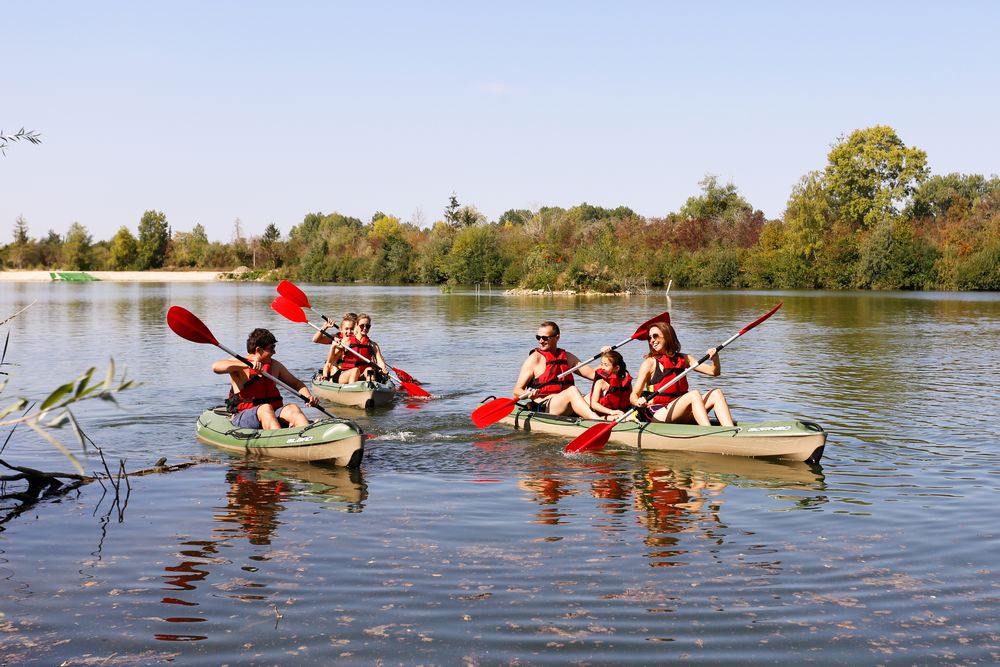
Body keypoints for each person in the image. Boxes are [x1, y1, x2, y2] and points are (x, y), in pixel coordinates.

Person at [630, 321, 734, 427]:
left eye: (655, 336)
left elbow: (714, 372)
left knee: (717, 393)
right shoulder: (649, 362)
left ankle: (731, 431)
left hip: (681, 411)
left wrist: (715, 359)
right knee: (693, 395)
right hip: (659, 413)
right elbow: (633, 395)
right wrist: (638, 401)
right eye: (650, 338)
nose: (652, 340)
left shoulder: (684, 358)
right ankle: (708, 432)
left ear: (667, 336)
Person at [213, 328, 318, 430]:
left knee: (293, 408)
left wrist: (308, 396)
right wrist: (247, 365)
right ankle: (279, 441)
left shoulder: (275, 366)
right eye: (271, 348)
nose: (274, 352)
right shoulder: (237, 365)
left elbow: (296, 383)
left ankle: (308, 436)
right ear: (258, 350)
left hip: (274, 411)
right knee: (265, 408)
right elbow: (216, 367)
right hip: (244, 415)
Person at [512, 320, 608, 420]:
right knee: (572, 390)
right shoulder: (534, 359)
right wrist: (528, 394)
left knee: (596, 393)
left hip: (566, 402)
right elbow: (516, 391)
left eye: (545, 338)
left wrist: (605, 357)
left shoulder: (567, 357)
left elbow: (594, 375)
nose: (540, 341)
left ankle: (616, 417)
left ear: (557, 337)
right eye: (538, 337)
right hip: (545, 405)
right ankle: (597, 421)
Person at [586, 349, 632, 418]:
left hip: (622, 413)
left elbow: (631, 400)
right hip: (603, 415)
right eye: (601, 364)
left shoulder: (626, 383)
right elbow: (594, 404)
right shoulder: (601, 383)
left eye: (606, 365)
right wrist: (612, 412)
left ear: (616, 368)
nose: (602, 367)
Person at [319, 314, 358, 381]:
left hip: (353, 371)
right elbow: (328, 363)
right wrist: (325, 327)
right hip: (338, 372)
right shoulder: (338, 340)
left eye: (352, 329)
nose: (349, 332)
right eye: (346, 329)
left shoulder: (363, 342)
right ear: (341, 329)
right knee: (334, 365)